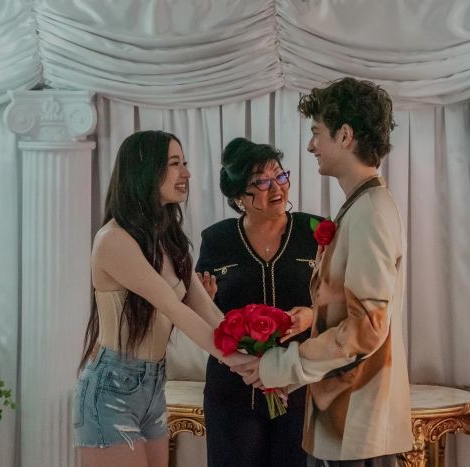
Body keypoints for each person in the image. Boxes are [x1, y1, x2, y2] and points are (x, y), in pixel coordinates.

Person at [234, 77, 413, 466]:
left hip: (358, 427)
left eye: (317, 133)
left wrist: (280, 366)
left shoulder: (370, 212)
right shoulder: (361, 207)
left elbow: (366, 328)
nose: (311, 146)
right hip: (344, 421)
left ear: (344, 135)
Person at [73, 130, 252, 467]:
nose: (186, 173)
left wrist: (256, 352)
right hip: (112, 388)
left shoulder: (170, 240)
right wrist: (239, 363)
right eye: (174, 164)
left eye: (185, 163)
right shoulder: (113, 240)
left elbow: (209, 313)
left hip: (154, 383)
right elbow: (173, 309)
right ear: (145, 171)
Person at [196, 137, 320, 467]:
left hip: (299, 386)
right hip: (234, 390)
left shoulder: (315, 231)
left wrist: (312, 316)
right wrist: (204, 302)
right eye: (261, 182)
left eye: (280, 176)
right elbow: (199, 311)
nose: (276, 187)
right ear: (239, 197)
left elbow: (342, 302)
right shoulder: (217, 240)